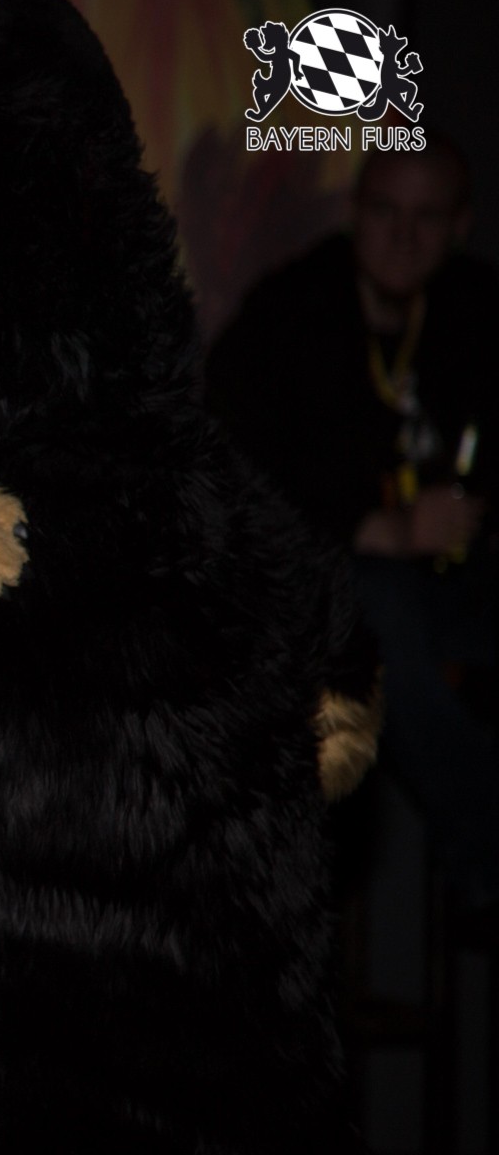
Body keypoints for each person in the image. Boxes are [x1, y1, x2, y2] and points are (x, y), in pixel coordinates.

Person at [208, 141, 497, 902]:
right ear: (354, 214)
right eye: (385, 212)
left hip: (461, 589)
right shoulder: (289, 313)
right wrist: (376, 527)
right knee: (374, 603)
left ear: (460, 225)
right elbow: (227, 467)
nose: (403, 236)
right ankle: (485, 855)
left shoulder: (477, 313)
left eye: (426, 217)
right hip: (328, 595)